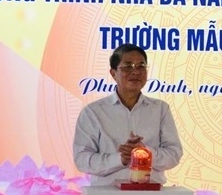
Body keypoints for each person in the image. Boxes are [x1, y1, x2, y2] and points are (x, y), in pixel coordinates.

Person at [73, 44, 183, 185]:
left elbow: (174, 154)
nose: (136, 72)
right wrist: (120, 159)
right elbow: (82, 160)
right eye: (128, 67)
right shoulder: (93, 112)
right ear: (113, 73)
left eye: (141, 66)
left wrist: (144, 153)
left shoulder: (160, 109)